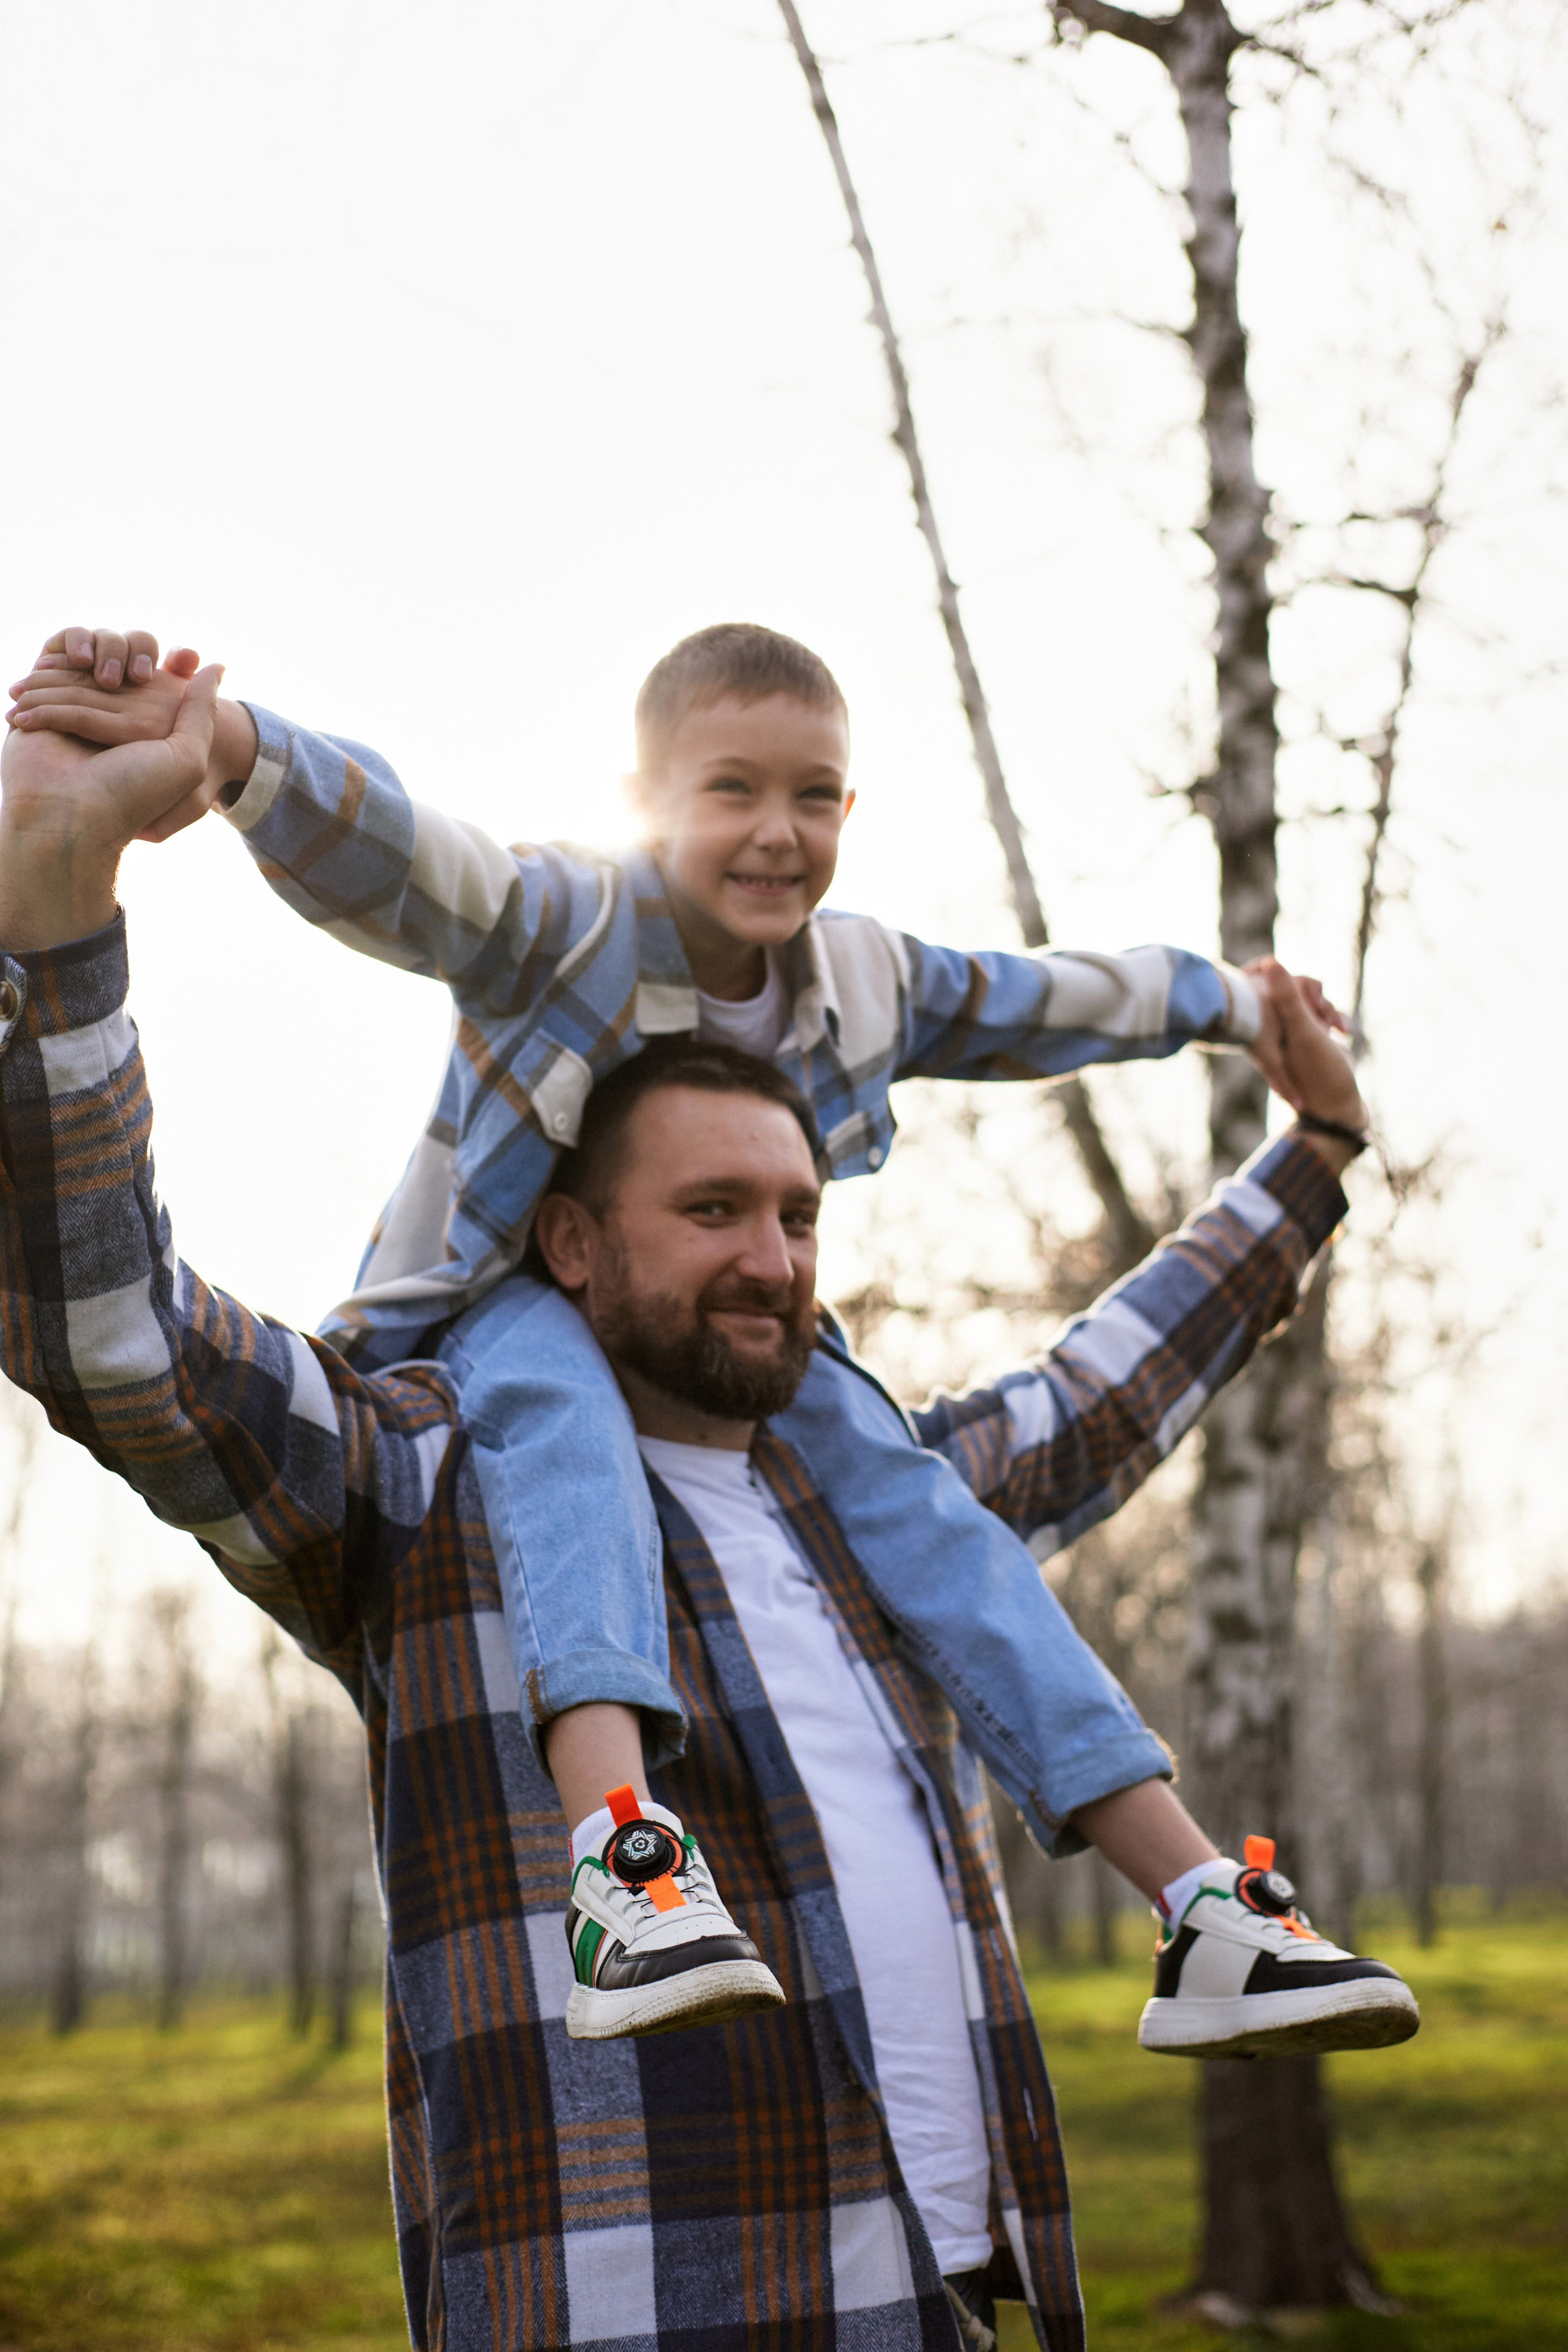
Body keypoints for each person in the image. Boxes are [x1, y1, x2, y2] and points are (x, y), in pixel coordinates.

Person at [0, 665, 1416, 2351]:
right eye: (714, 1209)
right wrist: (82, 899)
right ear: (579, 1239)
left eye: (801, 1215)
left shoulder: (881, 1502)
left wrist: (1306, 1125)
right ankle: (630, 1860)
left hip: (958, 2305)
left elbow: (1110, 1374)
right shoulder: (422, 1488)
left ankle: (1207, 1911)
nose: (774, 1257)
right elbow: (116, 1336)